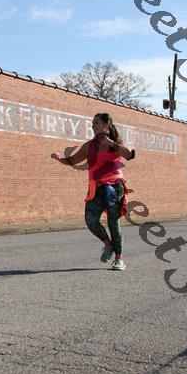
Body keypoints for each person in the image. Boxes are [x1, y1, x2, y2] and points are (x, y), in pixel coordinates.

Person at [52, 113, 135, 271]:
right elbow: (73, 160)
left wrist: (111, 142)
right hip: (95, 187)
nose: (93, 125)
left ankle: (119, 259)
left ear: (106, 125)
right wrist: (59, 158)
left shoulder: (115, 143)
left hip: (114, 187)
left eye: (96, 123)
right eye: (92, 123)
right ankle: (108, 244)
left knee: (113, 223)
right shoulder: (89, 145)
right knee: (90, 220)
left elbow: (129, 155)